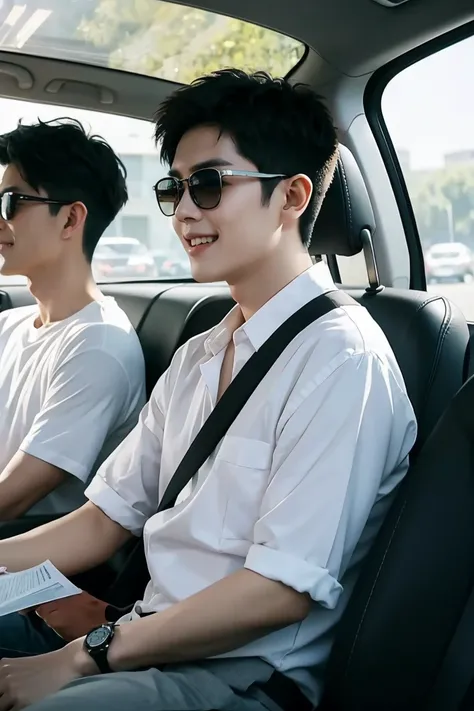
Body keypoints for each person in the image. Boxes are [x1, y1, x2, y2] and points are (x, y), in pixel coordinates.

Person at [0, 71, 416, 711]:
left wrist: (85, 655)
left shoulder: (341, 360)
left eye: (211, 185)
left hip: (239, 678)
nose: (186, 211)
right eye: (176, 188)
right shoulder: (201, 352)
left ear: (293, 197)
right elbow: (103, 521)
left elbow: (278, 591)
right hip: (144, 638)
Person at [0, 118, 146, 519]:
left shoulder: (99, 345)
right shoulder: (9, 326)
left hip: (30, 556)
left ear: (69, 219)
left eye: (11, 203)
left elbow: (13, 496)